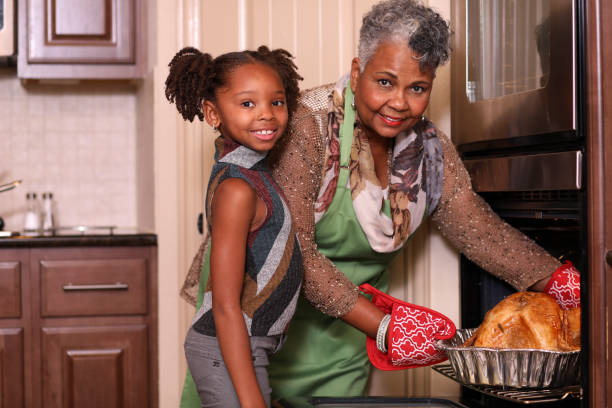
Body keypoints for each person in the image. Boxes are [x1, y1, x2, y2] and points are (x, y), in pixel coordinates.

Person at [180, 0, 581, 404]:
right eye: (385, 82)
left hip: (342, 340)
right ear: (357, 72)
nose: (399, 103)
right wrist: (386, 327)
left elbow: (479, 229)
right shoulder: (305, 125)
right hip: (251, 324)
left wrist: (563, 282)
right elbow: (297, 249)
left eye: (418, 88)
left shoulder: (429, 152)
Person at [166, 45, 304, 408]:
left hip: (247, 346)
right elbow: (226, 306)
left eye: (276, 102)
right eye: (247, 104)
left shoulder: (254, 174)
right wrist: (252, 401)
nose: (266, 115)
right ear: (213, 113)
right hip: (224, 347)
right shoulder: (237, 189)